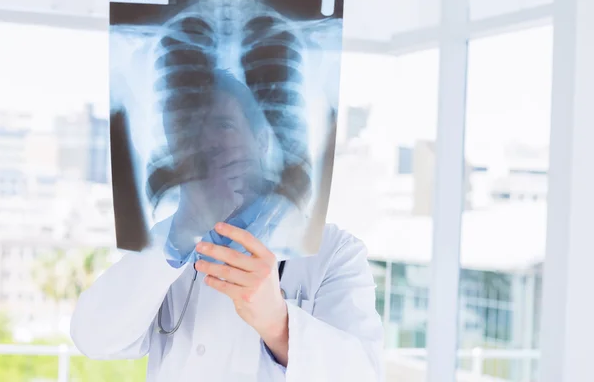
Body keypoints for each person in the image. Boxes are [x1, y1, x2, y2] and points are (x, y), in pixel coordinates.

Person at [70, 70, 384, 381]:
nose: (207, 141)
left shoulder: (334, 252)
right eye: (192, 130)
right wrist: (182, 230)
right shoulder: (170, 244)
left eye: (223, 125)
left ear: (261, 141)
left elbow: (363, 374)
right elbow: (94, 338)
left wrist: (279, 325)